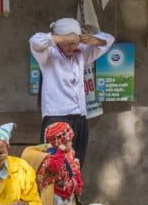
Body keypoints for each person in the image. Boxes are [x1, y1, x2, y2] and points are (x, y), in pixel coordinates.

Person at [29, 18, 114, 188]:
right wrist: (62, 38)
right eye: (68, 43)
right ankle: (50, 203)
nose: (72, 47)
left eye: (75, 43)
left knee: (75, 162)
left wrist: (92, 40)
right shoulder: (48, 54)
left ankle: (71, 202)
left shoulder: (81, 52)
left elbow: (109, 39)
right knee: (52, 164)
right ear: (58, 39)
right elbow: (35, 41)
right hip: (56, 116)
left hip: (79, 116)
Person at [36, 122, 82, 205]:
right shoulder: (51, 155)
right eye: (69, 141)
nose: (71, 144)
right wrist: (60, 152)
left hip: (69, 192)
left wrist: (78, 186)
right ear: (60, 142)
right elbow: (54, 168)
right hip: (57, 194)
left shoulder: (70, 153)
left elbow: (75, 171)